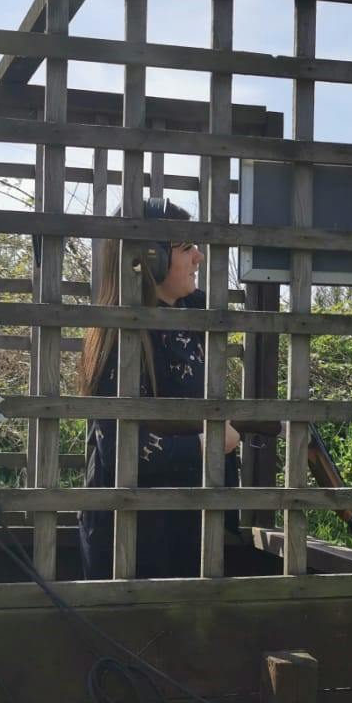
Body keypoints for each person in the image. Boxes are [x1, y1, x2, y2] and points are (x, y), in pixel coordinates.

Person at [77, 197, 241, 580]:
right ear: (153, 258)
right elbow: (123, 449)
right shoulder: (121, 337)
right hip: (132, 539)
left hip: (184, 525)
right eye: (186, 248)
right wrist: (208, 443)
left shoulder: (189, 316)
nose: (199, 256)